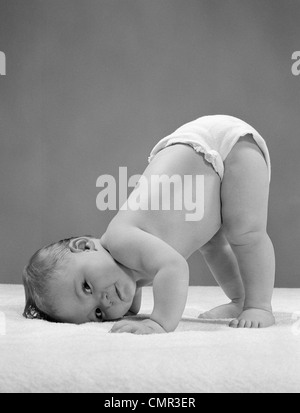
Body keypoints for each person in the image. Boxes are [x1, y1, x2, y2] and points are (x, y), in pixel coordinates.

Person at [23, 115, 275, 334]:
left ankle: (259, 305)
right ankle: (239, 299)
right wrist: (129, 308)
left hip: (221, 146)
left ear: (84, 245)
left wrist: (159, 323)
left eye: (86, 287)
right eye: (98, 313)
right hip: (203, 187)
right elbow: (134, 291)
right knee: (212, 245)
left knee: (245, 232)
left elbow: (173, 266)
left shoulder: (120, 240)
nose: (106, 300)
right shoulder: (127, 271)